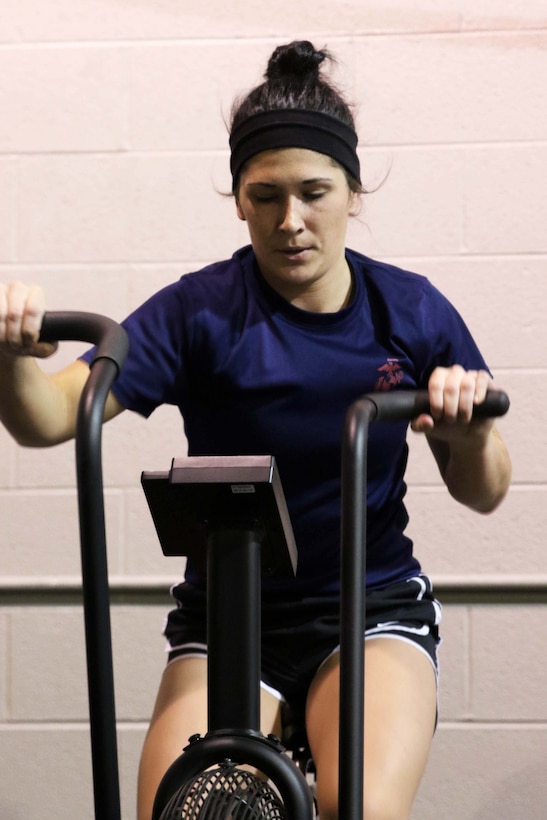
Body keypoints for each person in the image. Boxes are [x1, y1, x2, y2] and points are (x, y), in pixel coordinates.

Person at [0, 40, 511, 820]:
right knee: (182, 808)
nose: (291, 221)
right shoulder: (199, 311)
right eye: (266, 195)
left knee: (358, 809)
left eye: (314, 192)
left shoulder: (407, 311)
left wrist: (465, 428)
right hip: (229, 616)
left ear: (352, 192)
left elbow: (486, 490)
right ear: (238, 198)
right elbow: (49, 418)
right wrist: (9, 359)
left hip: (369, 608)